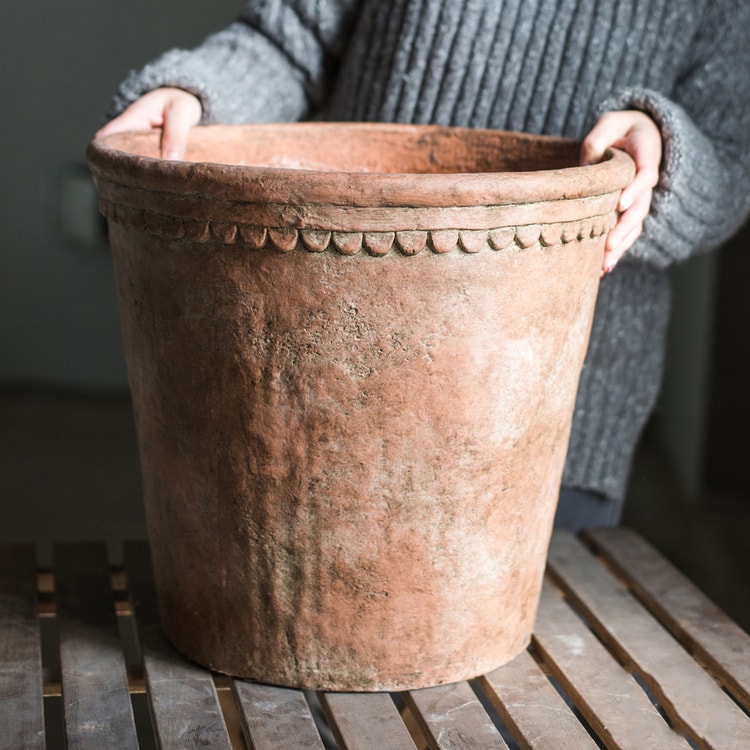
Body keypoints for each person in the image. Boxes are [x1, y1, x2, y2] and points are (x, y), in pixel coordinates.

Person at [96, 0, 750, 531]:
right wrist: (197, 94)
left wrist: (663, 155)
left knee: (509, 677)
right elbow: (291, 39)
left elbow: (729, 162)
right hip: (332, 361)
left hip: (547, 411)